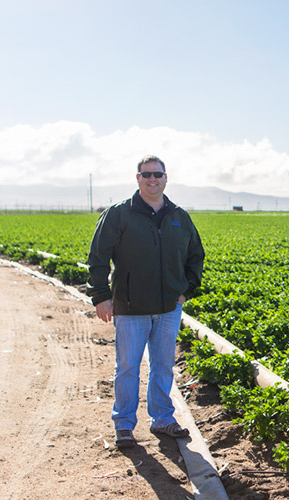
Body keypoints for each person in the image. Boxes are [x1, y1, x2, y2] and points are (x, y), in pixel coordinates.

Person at [87, 155, 205, 448]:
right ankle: (124, 425)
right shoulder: (119, 214)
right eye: (146, 174)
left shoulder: (179, 216)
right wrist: (101, 296)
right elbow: (98, 258)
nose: (152, 180)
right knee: (127, 367)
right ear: (137, 178)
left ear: (166, 178)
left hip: (168, 308)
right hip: (130, 308)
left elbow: (195, 256)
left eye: (158, 174)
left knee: (163, 366)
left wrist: (185, 290)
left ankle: (162, 419)